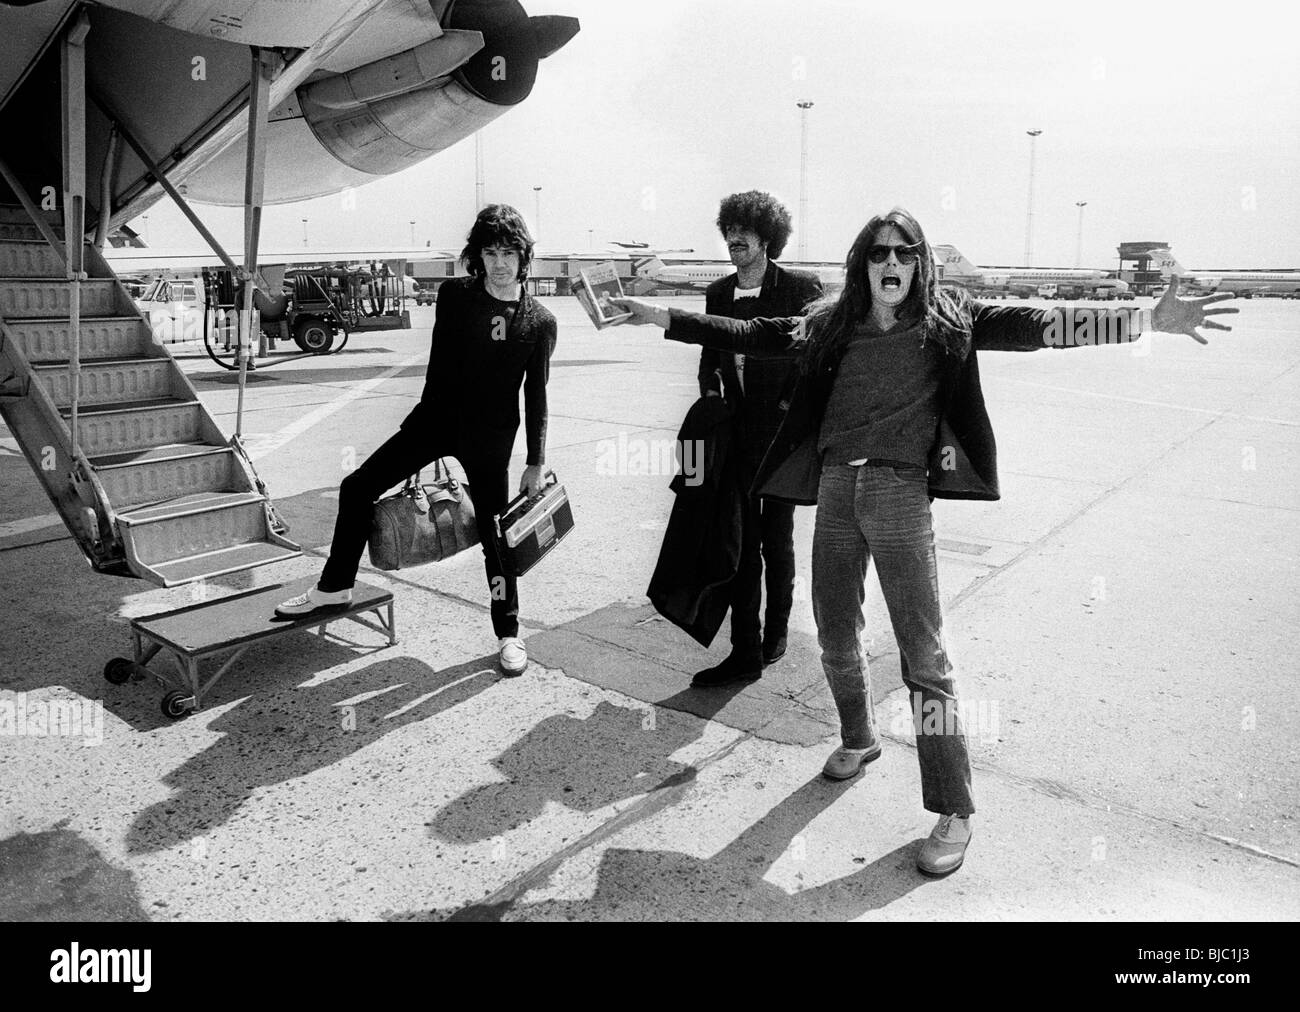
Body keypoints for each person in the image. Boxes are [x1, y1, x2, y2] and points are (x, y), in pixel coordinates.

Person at [612, 206, 1236, 875]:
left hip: (899, 496)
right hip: (835, 496)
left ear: (919, 263)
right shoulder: (834, 320)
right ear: (863, 263)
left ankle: (954, 809)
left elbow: (1043, 327)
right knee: (834, 636)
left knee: (923, 657)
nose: (890, 264)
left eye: (903, 253)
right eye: (878, 253)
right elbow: (759, 332)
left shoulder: (949, 319)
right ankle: (859, 736)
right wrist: (667, 320)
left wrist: (1144, 319)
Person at [276, 204, 557, 676]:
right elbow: (439, 367)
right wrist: (419, 435)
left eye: (509, 252)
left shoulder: (539, 320)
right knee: (357, 487)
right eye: (490, 252)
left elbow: (537, 396)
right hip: (435, 422)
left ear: (523, 256)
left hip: (491, 439)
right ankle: (335, 587)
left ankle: (509, 633)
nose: (500, 262)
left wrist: (536, 460)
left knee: (497, 538)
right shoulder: (455, 297)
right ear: (478, 256)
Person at [691, 191, 823, 687]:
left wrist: (795, 410)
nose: (733, 241)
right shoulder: (719, 293)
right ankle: (744, 648)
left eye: (743, 232)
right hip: (738, 437)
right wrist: (710, 397)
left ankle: (778, 628)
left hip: (783, 436)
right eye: (729, 232)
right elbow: (709, 357)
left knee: (776, 541)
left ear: (767, 238)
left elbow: (814, 360)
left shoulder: (798, 288)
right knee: (741, 544)